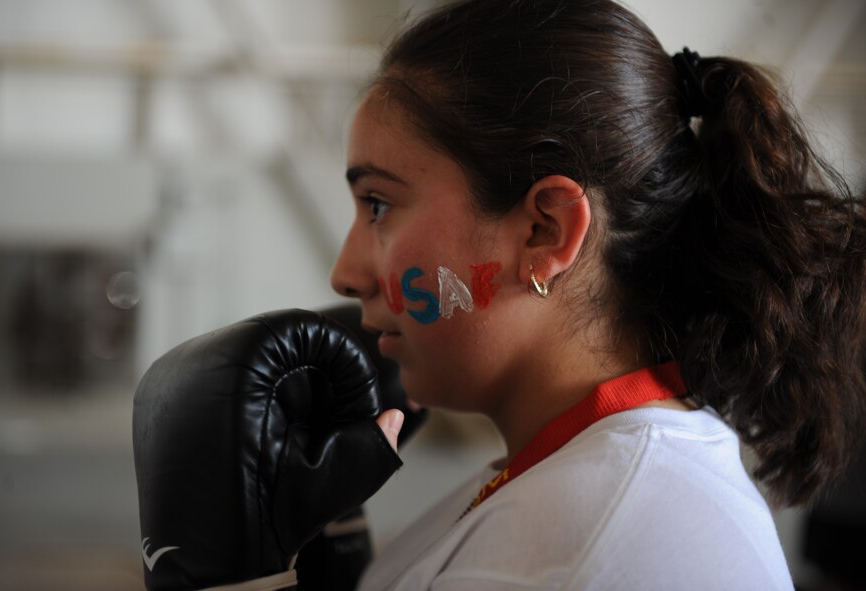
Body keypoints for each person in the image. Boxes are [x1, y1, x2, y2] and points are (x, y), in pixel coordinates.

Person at [328, 0, 866, 589]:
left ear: (546, 231)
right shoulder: (579, 481)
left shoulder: (574, 540)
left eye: (378, 205)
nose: (346, 274)